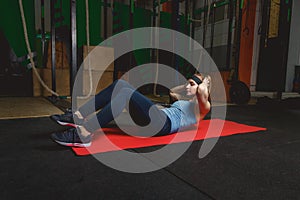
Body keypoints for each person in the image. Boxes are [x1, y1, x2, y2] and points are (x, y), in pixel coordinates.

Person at [50, 73, 211, 147]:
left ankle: (84, 133)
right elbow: (172, 92)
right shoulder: (183, 100)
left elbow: (203, 91)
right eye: (188, 83)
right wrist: (187, 85)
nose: (188, 85)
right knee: (120, 85)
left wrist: (206, 80)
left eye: (192, 84)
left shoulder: (201, 108)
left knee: (126, 93)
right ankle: (79, 115)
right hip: (155, 117)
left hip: (163, 125)